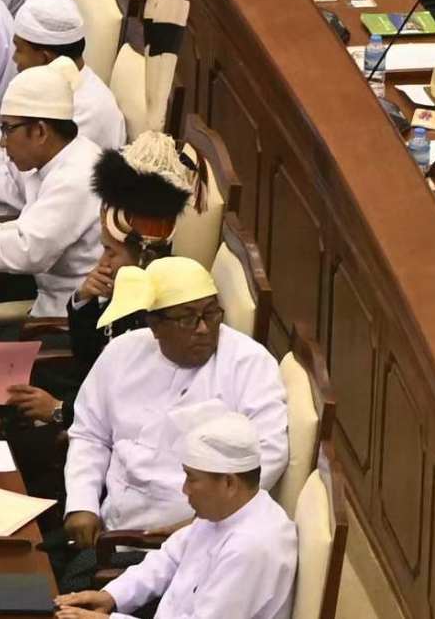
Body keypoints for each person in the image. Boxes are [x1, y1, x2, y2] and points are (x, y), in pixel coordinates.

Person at [58, 261, 284, 567]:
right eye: (188, 319)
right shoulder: (121, 353)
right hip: (107, 525)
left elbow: (268, 455)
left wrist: (203, 521)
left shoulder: (249, 363)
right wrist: (81, 504)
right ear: (154, 324)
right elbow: (89, 434)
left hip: (186, 543)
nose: (204, 328)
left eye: (211, 314)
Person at [58, 403, 294, 619]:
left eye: (192, 479)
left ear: (229, 483)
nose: (185, 489)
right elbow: (168, 558)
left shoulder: (252, 549)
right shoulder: (225, 511)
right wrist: (113, 596)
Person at [0, 67, 107, 322]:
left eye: (8, 129)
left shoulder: (77, 177)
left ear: (40, 132)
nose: (2, 142)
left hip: (65, 319)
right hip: (38, 289)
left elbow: (25, 252)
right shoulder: (50, 153)